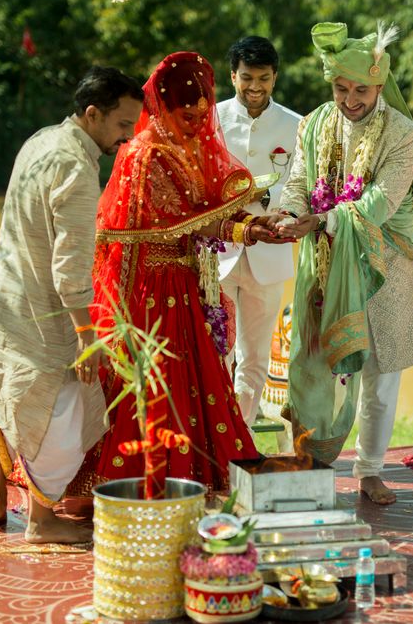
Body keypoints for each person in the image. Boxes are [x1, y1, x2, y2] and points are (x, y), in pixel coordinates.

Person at [88, 52, 287, 493]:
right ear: (162, 107)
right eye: (187, 115)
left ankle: (196, 476)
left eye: (202, 115)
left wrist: (254, 228)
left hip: (187, 283)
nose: (198, 124)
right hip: (148, 292)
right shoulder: (142, 155)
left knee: (200, 383)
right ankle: (136, 482)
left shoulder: (188, 150)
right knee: (155, 387)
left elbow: (200, 220)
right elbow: (148, 232)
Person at [0, 66, 144, 543]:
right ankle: (42, 522)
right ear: (92, 114)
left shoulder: (40, 140)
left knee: (5, 398)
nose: (128, 138)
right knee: (60, 408)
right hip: (45, 309)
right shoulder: (78, 169)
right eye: (124, 125)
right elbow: (70, 270)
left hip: (7, 296)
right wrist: (87, 337)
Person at [276, 22, 413, 505]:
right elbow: (298, 182)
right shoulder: (314, 123)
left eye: (360, 89)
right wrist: (291, 213)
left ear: (380, 85)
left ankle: (369, 470)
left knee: (380, 378)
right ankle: (309, 459)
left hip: (384, 268)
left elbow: (381, 203)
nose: (350, 99)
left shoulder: (406, 134)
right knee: (313, 365)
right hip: (324, 263)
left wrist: (318, 221)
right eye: (340, 88)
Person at [217, 36, 302, 426]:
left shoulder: (296, 125)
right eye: (247, 77)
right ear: (233, 76)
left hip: (269, 256)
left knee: (254, 356)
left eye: (264, 78)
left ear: (275, 77)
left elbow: (303, 183)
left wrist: (275, 202)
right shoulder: (211, 120)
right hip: (216, 255)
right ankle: (213, 433)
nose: (255, 87)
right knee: (217, 350)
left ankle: (241, 437)